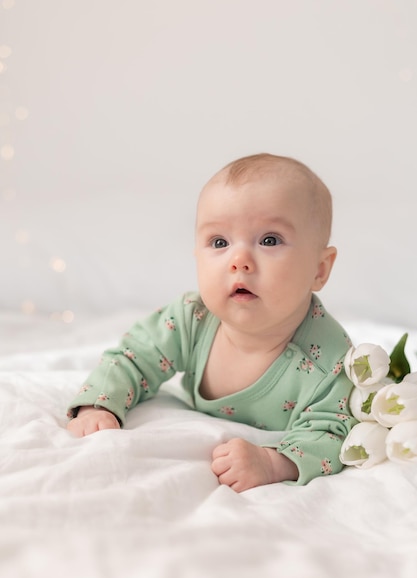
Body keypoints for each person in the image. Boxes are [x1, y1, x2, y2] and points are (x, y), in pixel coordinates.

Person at [67, 153, 356, 491]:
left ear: (319, 269)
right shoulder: (193, 318)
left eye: (269, 240)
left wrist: (273, 463)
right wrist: (98, 404)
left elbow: (332, 434)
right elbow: (134, 356)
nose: (239, 261)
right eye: (219, 242)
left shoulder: (330, 361)